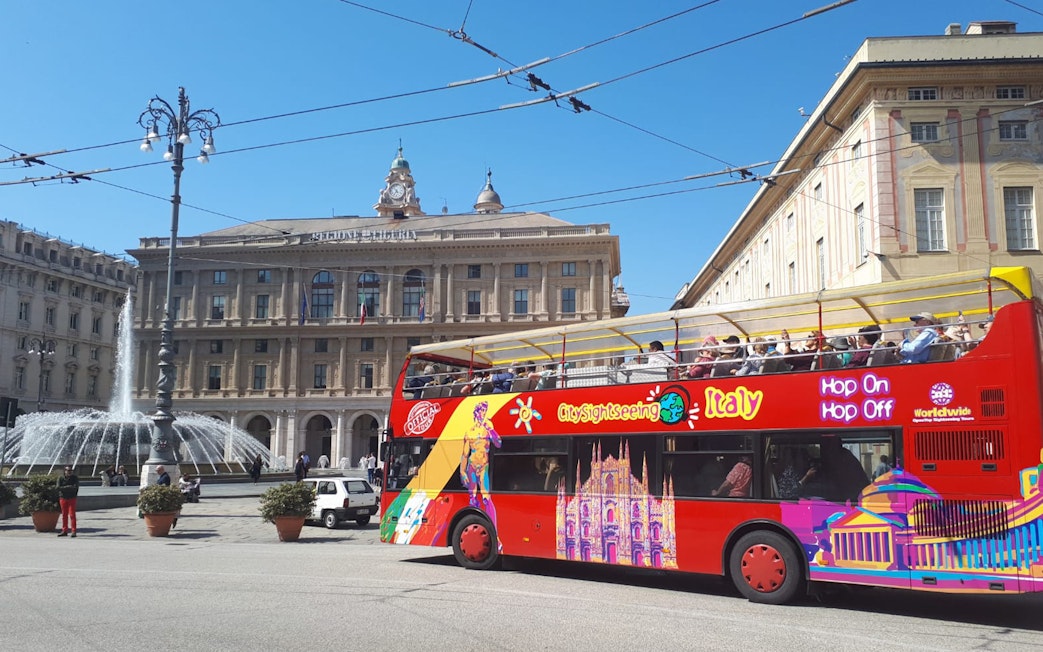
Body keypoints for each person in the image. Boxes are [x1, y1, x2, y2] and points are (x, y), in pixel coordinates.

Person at [56, 465, 80, 537]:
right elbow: (57, 487)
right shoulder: (60, 478)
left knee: (72, 515)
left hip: (72, 498)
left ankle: (73, 531)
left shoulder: (74, 478)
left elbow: (75, 487)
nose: (69, 472)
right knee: (64, 515)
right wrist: (69, 487)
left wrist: (64, 488)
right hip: (63, 498)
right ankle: (64, 530)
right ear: (65, 471)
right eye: (68, 471)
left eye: (71, 471)